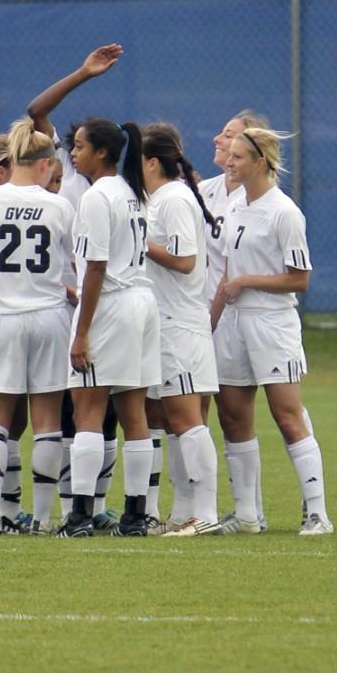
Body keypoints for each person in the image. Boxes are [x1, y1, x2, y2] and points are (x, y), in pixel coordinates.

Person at [210, 127, 333, 535]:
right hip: (234, 324)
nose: (230, 160)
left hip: (271, 322)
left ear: (261, 163)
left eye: (240, 156)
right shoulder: (235, 207)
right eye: (232, 155)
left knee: (287, 415)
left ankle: (317, 514)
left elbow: (299, 279)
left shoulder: (284, 212)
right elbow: (228, 271)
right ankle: (247, 515)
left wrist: (247, 283)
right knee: (232, 415)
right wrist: (210, 324)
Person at [0, 117, 75, 536]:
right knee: (47, 423)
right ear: (45, 164)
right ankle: (42, 519)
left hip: (0, 319)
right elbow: (75, 268)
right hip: (49, 318)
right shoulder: (59, 205)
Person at [27, 45, 124, 531]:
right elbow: (38, 110)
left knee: (100, 413)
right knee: (69, 411)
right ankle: (70, 510)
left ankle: (92, 506)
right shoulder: (63, 171)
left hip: (95, 304)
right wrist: (84, 72)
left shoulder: (100, 187)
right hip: (59, 306)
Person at [56, 118, 160, 538]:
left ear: (102, 152)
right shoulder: (134, 193)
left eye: (79, 146)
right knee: (134, 414)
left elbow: (95, 267)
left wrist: (80, 333)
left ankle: (79, 516)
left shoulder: (99, 197)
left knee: (88, 411)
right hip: (141, 302)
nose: (74, 153)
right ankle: (136, 515)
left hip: (113, 306)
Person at [141, 123, 222, 536]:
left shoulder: (173, 199)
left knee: (187, 419)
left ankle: (206, 513)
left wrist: (138, 242)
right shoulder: (162, 199)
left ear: (152, 162)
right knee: (172, 420)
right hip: (165, 324)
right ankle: (183, 510)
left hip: (180, 325)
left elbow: (185, 259)